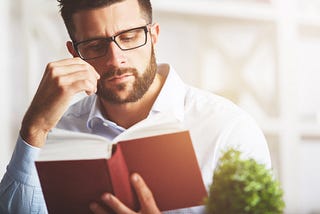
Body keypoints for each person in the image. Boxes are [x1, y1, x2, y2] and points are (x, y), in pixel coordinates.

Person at [0, 0, 271, 213]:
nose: (116, 59)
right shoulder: (55, 129)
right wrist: (34, 128)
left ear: (154, 35)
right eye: (95, 45)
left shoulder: (228, 129)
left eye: (129, 37)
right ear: (74, 53)